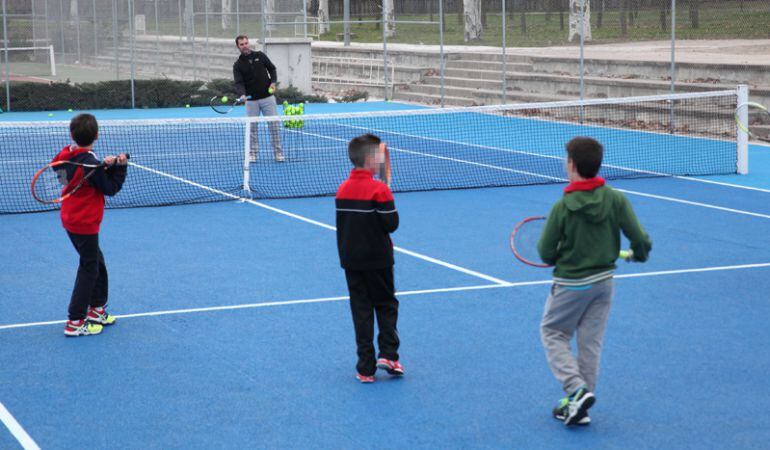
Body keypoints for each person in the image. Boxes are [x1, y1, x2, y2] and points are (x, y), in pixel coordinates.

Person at [537, 136, 652, 426]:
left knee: (553, 333)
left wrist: (559, 255)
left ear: (572, 164)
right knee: (591, 343)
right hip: (604, 284)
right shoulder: (615, 198)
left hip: (571, 285)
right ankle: (581, 405)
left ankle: (576, 389)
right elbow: (640, 239)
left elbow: (545, 252)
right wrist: (638, 255)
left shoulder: (562, 208)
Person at [336, 134, 403, 383]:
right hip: (379, 261)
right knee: (386, 305)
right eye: (377, 156)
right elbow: (391, 224)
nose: (380, 160)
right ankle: (389, 355)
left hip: (351, 261)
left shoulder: (342, 189)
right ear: (369, 159)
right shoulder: (380, 190)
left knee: (361, 310)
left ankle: (365, 368)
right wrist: (388, 199)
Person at [54, 113, 128, 337]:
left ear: (71, 135)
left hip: (70, 218)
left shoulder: (65, 155)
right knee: (89, 267)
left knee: (96, 261)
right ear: (97, 135)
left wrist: (102, 166)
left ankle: (96, 309)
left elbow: (66, 177)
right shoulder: (91, 165)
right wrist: (120, 167)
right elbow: (111, 188)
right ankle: (75, 321)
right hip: (84, 222)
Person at [232, 35, 284, 162]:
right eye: (242, 44)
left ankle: (278, 153)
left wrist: (273, 82)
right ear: (238, 46)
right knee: (252, 128)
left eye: (246, 43)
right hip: (251, 101)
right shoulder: (237, 65)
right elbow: (239, 83)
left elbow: (272, 69)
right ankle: (252, 154)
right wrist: (242, 94)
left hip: (268, 98)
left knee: (274, 126)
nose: (245, 46)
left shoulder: (260, 56)